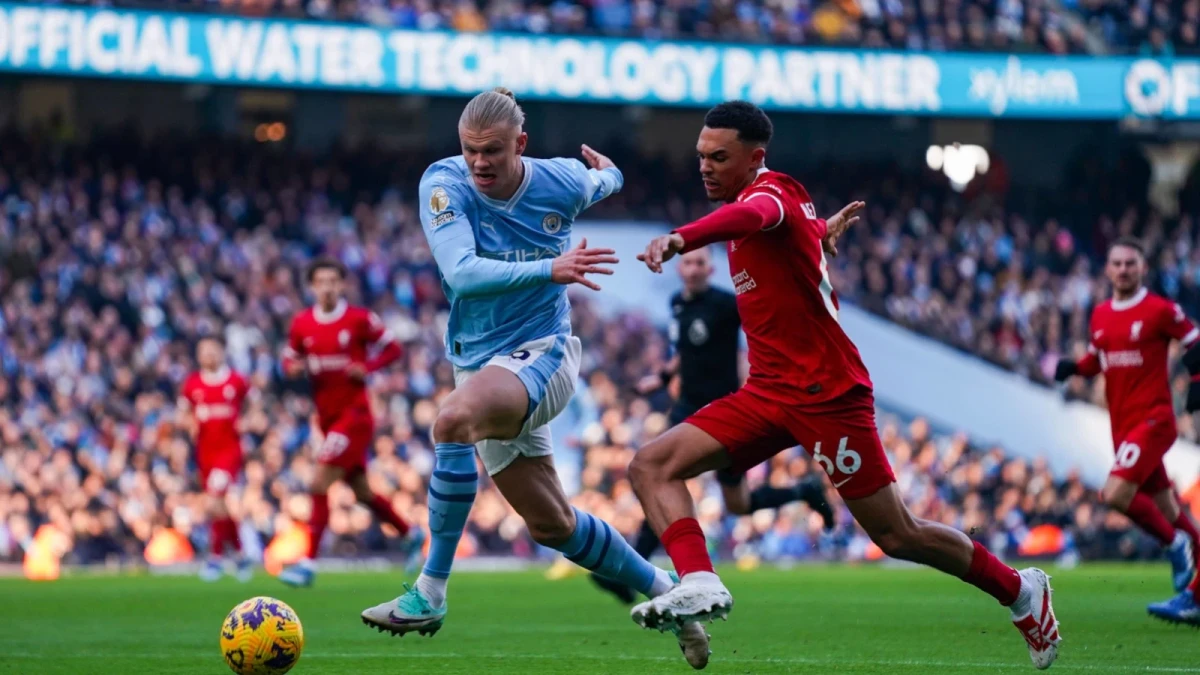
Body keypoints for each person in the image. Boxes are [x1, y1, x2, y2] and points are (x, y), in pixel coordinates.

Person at [626, 101, 1060, 670]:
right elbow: (782, 231)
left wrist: (682, 238)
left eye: (719, 157)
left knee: (899, 535)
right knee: (650, 465)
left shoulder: (767, 196)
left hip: (828, 396)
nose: (704, 166)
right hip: (766, 393)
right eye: (701, 155)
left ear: (754, 158)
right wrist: (817, 235)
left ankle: (1021, 589)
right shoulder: (779, 203)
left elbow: (754, 217)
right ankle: (700, 579)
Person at [358, 87, 711, 669]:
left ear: (520, 144)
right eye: (470, 150)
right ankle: (670, 591)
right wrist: (553, 266)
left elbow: (605, 180)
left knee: (451, 419)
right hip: (478, 362)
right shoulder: (443, 185)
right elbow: (462, 273)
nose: (479, 163)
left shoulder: (561, 181)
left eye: (493, 151)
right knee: (553, 524)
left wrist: (612, 173)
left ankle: (430, 592)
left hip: (542, 353)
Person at [591, 246, 835, 605]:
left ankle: (804, 492)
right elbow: (684, 353)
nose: (692, 269)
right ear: (680, 269)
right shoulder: (677, 303)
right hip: (687, 406)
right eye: (687, 262)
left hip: (723, 410)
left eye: (699, 263)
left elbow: (757, 335)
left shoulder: (725, 304)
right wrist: (661, 377)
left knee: (735, 502)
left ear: (711, 268)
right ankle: (633, 570)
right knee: (657, 476)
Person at [1053, 238, 1200, 624]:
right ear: (1107, 269)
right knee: (1171, 511)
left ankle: (1174, 545)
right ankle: (1196, 596)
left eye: (1130, 263)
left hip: (1154, 422)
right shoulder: (1100, 314)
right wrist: (1073, 368)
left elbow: (1194, 340)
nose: (1122, 270)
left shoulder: (1159, 310)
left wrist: (1197, 381)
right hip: (1123, 427)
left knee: (1115, 493)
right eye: (1116, 263)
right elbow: (1098, 358)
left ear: (1142, 267)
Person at [276, 258, 417, 587]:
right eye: (320, 281)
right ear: (312, 287)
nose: (327, 286)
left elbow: (393, 348)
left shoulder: (358, 319)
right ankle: (411, 534)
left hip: (355, 416)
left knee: (318, 483)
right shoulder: (302, 323)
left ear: (342, 285)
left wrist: (368, 367)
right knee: (362, 492)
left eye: (332, 281)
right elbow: (288, 359)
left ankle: (308, 563)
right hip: (326, 417)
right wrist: (291, 368)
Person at [178, 336, 253, 582]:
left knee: (212, 501)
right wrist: (189, 424)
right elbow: (183, 414)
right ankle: (241, 555)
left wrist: (249, 420)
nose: (208, 355)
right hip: (205, 452)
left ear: (222, 352)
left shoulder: (236, 381)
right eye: (203, 351)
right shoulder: (192, 385)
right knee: (218, 505)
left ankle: (216, 558)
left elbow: (253, 407)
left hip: (229, 451)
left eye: (212, 351)